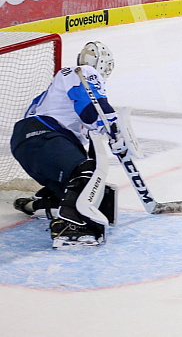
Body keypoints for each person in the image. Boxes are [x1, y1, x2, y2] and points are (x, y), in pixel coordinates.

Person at [10, 41, 125, 248]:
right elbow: (91, 107)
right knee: (86, 171)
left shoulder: (57, 91)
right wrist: (114, 128)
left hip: (27, 144)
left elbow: (86, 125)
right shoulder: (83, 72)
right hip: (43, 136)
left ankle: (42, 202)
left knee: (79, 179)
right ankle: (69, 224)